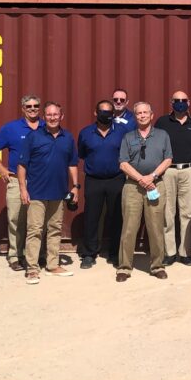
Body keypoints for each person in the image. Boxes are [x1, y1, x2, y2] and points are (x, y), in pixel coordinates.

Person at [16, 102, 78, 285]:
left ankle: (52, 265)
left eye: (55, 114)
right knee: (35, 231)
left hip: (58, 193)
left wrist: (75, 186)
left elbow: (72, 164)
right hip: (36, 193)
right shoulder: (33, 137)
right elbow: (22, 165)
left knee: (55, 230)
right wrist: (23, 189)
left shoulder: (68, 138)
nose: (52, 118)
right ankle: (32, 269)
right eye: (49, 115)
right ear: (44, 117)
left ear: (61, 116)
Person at [117, 102, 173, 282]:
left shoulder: (162, 135)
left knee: (156, 227)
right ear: (135, 116)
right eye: (139, 113)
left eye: (145, 112)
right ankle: (124, 267)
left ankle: (157, 266)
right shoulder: (128, 137)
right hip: (132, 186)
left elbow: (168, 159)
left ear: (151, 115)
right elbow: (123, 163)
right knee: (129, 228)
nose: (142, 115)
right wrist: (141, 179)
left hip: (156, 185)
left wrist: (152, 176)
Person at [0, 94, 42, 271]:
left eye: (36, 106)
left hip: (40, 181)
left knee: (37, 221)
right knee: (15, 219)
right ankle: (15, 256)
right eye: (29, 106)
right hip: (17, 181)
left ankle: (34, 255)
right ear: (23, 109)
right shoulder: (11, 128)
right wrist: (1, 168)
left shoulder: (46, 126)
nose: (33, 109)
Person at [76, 99, 125, 268]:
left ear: (113, 114)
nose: (106, 115)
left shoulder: (121, 132)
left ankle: (115, 253)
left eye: (109, 112)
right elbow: (82, 154)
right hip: (94, 180)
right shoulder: (85, 133)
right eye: (102, 112)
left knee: (117, 217)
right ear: (96, 113)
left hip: (116, 179)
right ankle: (89, 254)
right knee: (91, 217)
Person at [155, 90, 191, 266]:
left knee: (187, 212)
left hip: (189, 170)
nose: (180, 103)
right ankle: (170, 252)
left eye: (183, 100)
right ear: (171, 102)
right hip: (168, 171)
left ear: (189, 102)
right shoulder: (162, 122)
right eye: (176, 100)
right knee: (168, 212)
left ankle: (185, 253)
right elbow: (157, 146)